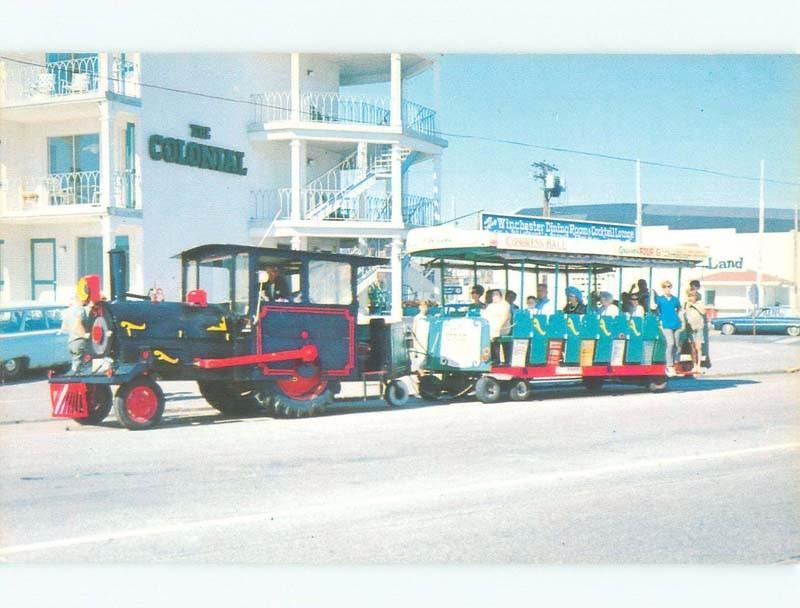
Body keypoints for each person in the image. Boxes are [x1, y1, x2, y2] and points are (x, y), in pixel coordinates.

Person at [651, 279, 682, 376]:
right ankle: (669, 366)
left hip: (676, 324)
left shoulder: (675, 299)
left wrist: (681, 320)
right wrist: (652, 295)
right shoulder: (660, 299)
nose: (667, 289)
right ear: (662, 288)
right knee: (670, 343)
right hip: (666, 324)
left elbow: (679, 309)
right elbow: (653, 307)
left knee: (677, 345)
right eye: (665, 287)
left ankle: (674, 363)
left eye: (669, 286)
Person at [61, 293, 93, 375]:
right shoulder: (80, 309)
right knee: (86, 364)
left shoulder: (67, 311)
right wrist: (85, 335)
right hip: (80, 341)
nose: (86, 301)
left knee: (76, 362)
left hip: (71, 342)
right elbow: (78, 324)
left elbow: (64, 327)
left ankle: (74, 374)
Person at [483, 289, 511, 363]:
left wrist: (498, 327)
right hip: (491, 327)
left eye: (497, 295)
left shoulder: (505, 305)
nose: (495, 297)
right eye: (493, 295)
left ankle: (504, 361)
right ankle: (494, 359)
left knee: (494, 335)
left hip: (503, 328)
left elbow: (505, 317)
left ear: (501, 296)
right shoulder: (490, 306)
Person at [682, 289, 707, 374]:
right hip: (690, 327)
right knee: (692, 348)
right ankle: (694, 365)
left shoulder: (700, 303)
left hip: (699, 327)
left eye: (692, 296)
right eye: (689, 296)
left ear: (696, 296)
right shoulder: (686, 304)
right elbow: (683, 313)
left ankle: (699, 365)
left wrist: (694, 305)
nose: (691, 298)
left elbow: (703, 311)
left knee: (698, 348)